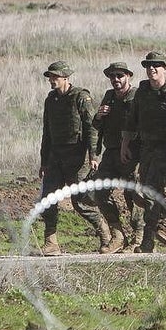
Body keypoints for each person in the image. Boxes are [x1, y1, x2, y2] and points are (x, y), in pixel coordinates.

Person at [121, 51, 166, 253]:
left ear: (165, 68)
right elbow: (132, 119)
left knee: (152, 192)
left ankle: (147, 241)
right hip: (146, 147)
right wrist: (125, 143)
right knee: (147, 192)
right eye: (148, 66)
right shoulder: (143, 91)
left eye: (156, 65)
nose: (151, 69)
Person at [38, 60, 108, 255]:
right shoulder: (51, 99)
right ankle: (51, 242)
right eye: (50, 77)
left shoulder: (80, 97)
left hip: (76, 156)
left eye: (55, 77)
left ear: (66, 78)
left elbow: (90, 127)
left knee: (81, 201)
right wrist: (44, 161)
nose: (52, 80)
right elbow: (47, 133)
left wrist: (93, 155)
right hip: (55, 156)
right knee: (48, 199)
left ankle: (105, 233)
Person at [92, 61, 142, 254]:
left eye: (119, 76)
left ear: (128, 76)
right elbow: (97, 127)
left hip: (133, 153)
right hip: (111, 152)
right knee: (99, 191)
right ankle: (118, 235)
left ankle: (138, 238)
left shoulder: (136, 96)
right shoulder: (109, 96)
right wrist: (98, 116)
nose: (116, 80)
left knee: (134, 195)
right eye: (112, 76)